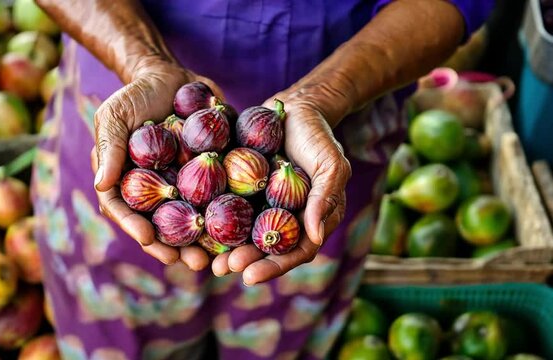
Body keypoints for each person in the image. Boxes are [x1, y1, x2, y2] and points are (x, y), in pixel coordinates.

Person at [31, 1, 493, 359]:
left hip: (336, 127)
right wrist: (144, 63)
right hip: (128, 83)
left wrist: (324, 96)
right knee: (120, 337)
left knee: (281, 337)